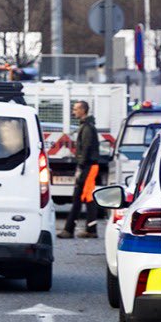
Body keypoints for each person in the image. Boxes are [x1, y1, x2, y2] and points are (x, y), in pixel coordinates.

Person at [60, 100, 102, 238]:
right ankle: (90, 229)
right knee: (86, 198)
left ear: (83, 110)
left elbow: (86, 148)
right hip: (89, 166)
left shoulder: (87, 128)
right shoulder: (87, 126)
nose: (74, 112)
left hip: (88, 167)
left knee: (79, 197)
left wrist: (81, 166)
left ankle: (70, 229)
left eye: (76, 109)